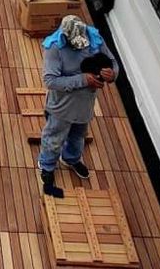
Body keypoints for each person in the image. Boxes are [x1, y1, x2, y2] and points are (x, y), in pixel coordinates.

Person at [39, 14, 119, 197]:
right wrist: (82, 79)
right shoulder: (54, 48)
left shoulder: (95, 39)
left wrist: (112, 74)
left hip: (85, 105)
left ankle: (71, 158)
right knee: (54, 137)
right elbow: (51, 81)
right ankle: (47, 165)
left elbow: (112, 62)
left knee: (78, 136)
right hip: (62, 107)